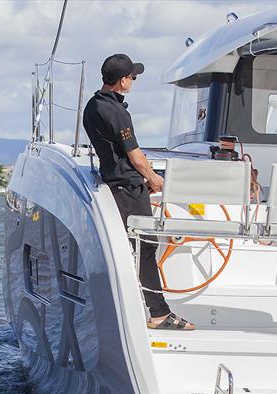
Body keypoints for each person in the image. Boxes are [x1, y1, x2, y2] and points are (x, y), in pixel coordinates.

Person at [83, 53, 195, 330]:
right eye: (132, 77)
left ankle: (140, 305)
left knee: (133, 247)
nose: (133, 80)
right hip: (129, 187)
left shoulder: (92, 105)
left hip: (114, 180)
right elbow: (134, 156)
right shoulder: (119, 113)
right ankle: (158, 313)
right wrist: (153, 179)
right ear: (122, 81)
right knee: (145, 249)